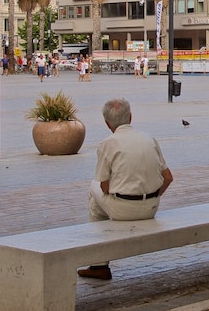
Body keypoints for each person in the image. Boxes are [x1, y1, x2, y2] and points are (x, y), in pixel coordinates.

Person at [79, 98, 174, 281]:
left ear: (107, 123)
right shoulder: (150, 139)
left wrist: (123, 191)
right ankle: (99, 263)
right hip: (152, 207)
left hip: (123, 210)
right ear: (130, 117)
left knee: (93, 191)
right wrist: (150, 196)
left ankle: (99, 264)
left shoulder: (108, 143)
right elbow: (168, 178)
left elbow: (104, 186)